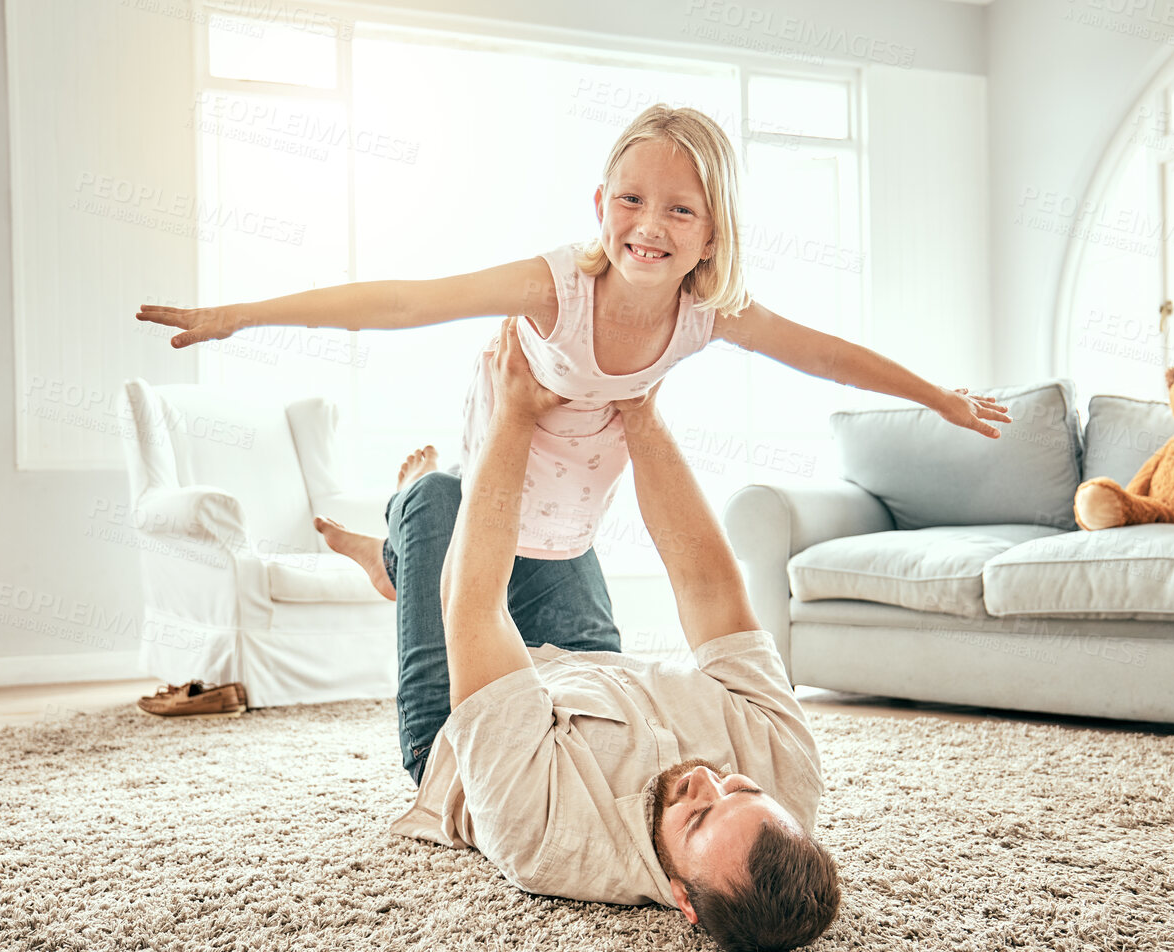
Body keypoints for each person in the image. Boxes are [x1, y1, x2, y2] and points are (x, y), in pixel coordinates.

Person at [137, 103, 1011, 603]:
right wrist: (239, 314)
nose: (648, 225)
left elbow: (822, 354)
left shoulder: (710, 312)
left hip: (581, 489)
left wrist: (938, 396)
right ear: (600, 203)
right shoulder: (553, 287)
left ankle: (393, 541)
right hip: (508, 445)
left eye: (680, 209)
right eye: (631, 198)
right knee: (449, 574)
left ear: (713, 234)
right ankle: (394, 526)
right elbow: (404, 301)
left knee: (540, 568)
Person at [338, 316, 839, 952]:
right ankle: (400, 561)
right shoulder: (789, 773)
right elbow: (708, 586)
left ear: (681, 899)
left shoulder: (545, 838)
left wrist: (512, 417)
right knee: (553, 503)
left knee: (440, 496)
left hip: (461, 732)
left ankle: (403, 529)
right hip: (594, 669)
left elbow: (475, 610)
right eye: (741, 790)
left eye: (698, 815)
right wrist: (641, 410)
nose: (710, 780)